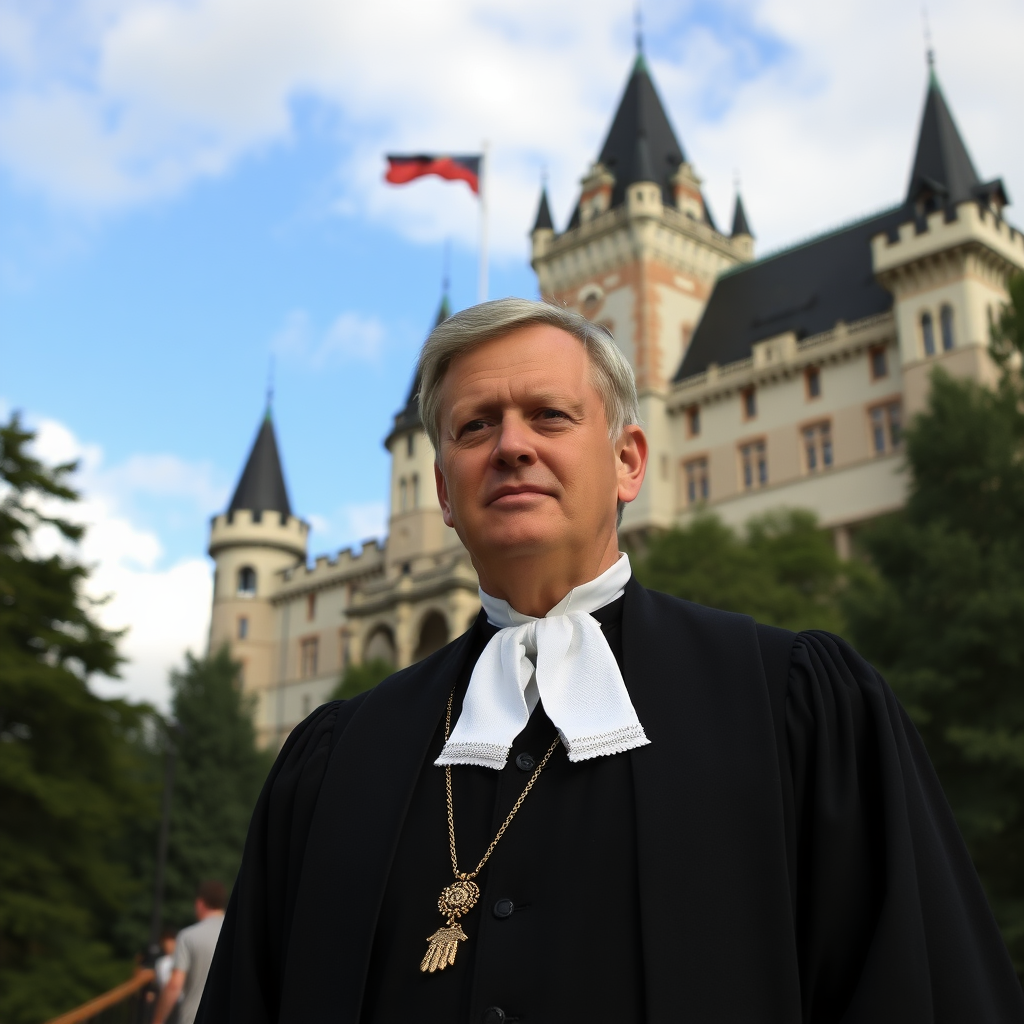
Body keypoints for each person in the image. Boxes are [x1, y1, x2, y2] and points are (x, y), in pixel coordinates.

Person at [199, 298, 1024, 1023]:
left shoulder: (794, 709)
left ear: (629, 461)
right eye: (475, 425)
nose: (511, 445)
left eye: (549, 417)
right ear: (443, 493)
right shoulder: (335, 762)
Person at [155, 881, 225, 1024]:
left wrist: (157, 1020)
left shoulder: (188, 936)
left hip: (194, 1017)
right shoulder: (239, 934)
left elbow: (174, 985)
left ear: (200, 903)